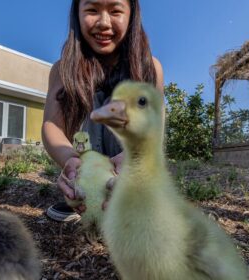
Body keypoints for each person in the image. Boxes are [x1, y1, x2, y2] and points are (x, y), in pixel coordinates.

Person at [42, 0, 164, 222]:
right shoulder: (62, 70)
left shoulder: (150, 68)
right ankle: (83, 190)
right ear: (77, 15)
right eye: (92, 10)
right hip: (84, 163)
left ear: (132, 16)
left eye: (116, 11)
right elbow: (52, 125)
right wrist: (70, 160)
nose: (104, 23)